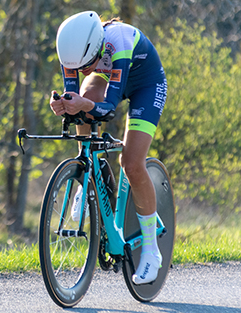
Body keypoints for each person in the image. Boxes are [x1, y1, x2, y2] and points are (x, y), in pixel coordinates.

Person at [49, 11, 167, 285]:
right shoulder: (73, 51)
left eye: (85, 66)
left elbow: (108, 109)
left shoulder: (119, 43)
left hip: (145, 85)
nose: (81, 72)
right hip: (109, 73)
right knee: (81, 104)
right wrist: (64, 104)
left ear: (96, 49)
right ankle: (87, 178)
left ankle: (151, 250)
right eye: (77, 69)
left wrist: (84, 105)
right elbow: (74, 97)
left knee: (132, 163)